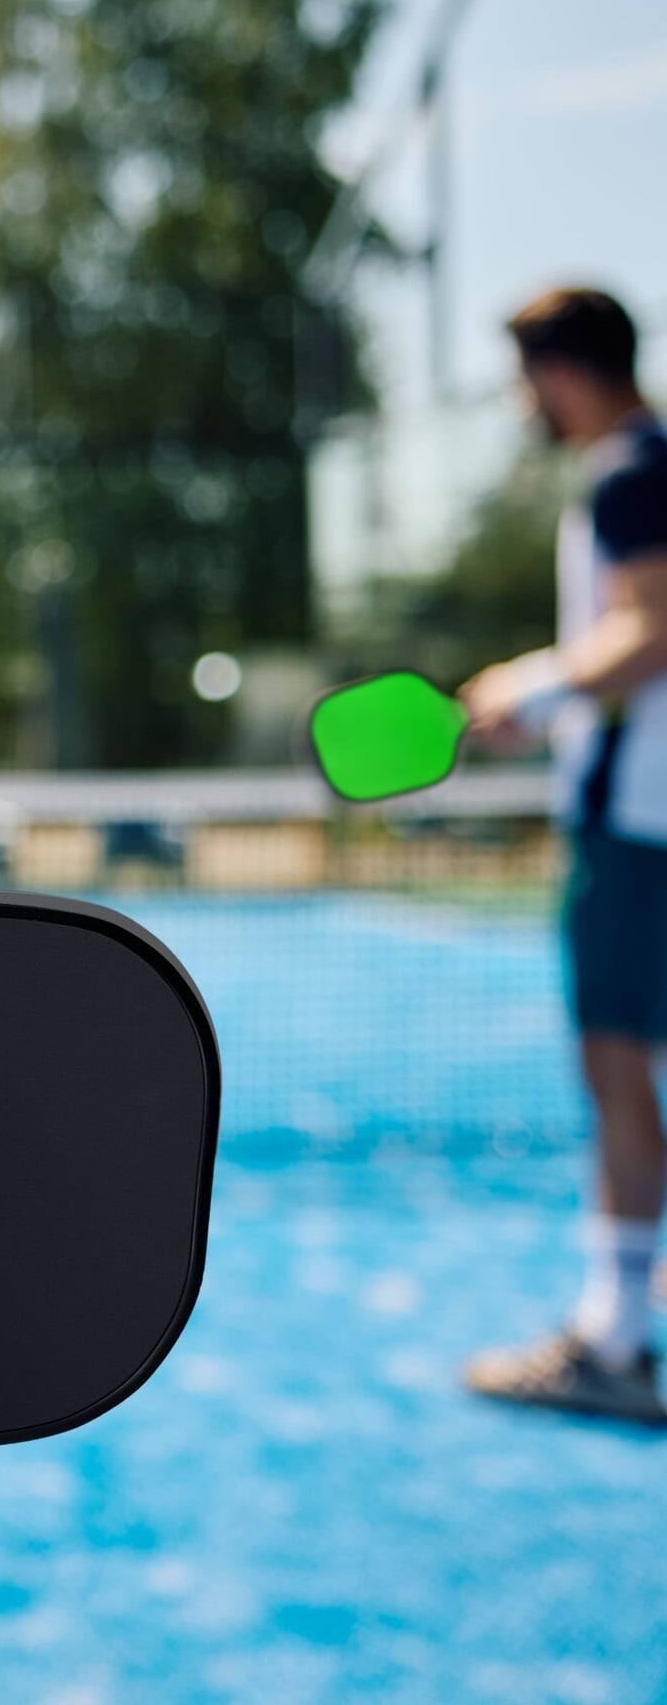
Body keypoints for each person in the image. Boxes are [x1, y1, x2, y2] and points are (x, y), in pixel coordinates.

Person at [458, 289, 667, 1424]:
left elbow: (649, 627)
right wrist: (528, 680)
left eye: (525, 377)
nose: (519, 401)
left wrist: (536, 694)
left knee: (616, 1069)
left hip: (634, 825)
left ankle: (614, 1340)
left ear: (565, 373)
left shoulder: (628, 474)